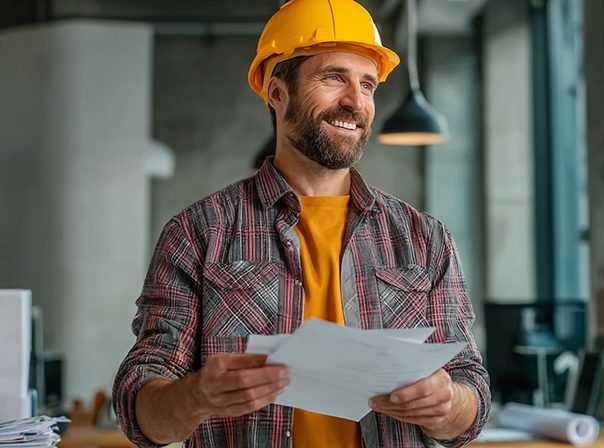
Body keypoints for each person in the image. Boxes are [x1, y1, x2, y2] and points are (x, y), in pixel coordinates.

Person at [112, 0, 490, 446]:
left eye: (367, 84)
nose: (355, 102)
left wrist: (447, 405)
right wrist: (195, 396)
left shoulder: (424, 239)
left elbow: (471, 392)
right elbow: (140, 411)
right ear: (277, 93)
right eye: (333, 78)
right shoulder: (199, 232)